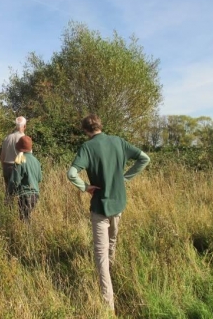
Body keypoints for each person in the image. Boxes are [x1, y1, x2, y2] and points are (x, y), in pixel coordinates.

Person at [67, 114, 150, 314]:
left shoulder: (87, 147)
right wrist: (125, 178)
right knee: (112, 243)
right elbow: (144, 158)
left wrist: (85, 187)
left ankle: (108, 305)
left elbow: (71, 174)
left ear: (85, 130)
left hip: (100, 206)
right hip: (118, 204)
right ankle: (110, 281)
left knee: (100, 255)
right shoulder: (118, 141)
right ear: (100, 126)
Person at [8, 136, 42, 221]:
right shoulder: (36, 161)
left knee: (24, 220)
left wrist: (9, 195)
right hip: (35, 195)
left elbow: (14, 181)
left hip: (25, 195)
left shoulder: (20, 160)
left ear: (20, 148)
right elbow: (39, 178)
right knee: (27, 218)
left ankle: (28, 234)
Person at [0, 116, 27, 200]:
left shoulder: (7, 138)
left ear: (16, 126)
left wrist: (4, 167)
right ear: (24, 126)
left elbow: (2, 157)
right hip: (17, 167)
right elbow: (27, 157)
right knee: (20, 193)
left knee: (8, 193)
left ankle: (7, 210)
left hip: (6, 166)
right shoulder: (24, 139)